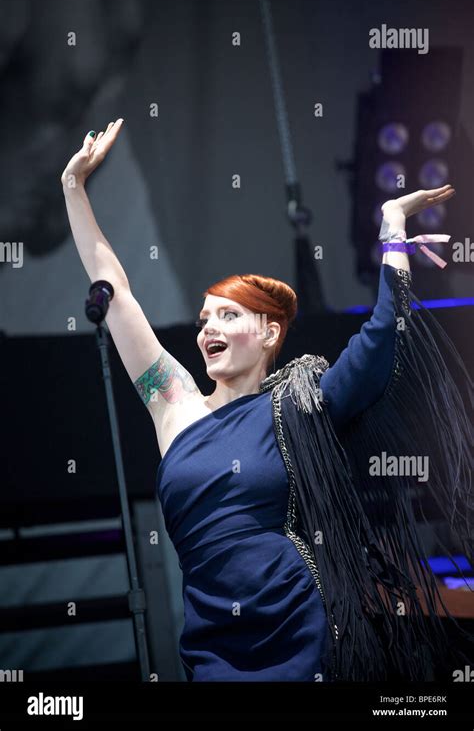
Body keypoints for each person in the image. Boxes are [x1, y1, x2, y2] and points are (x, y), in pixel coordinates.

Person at [62, 120, 472, 681]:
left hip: (298, 627)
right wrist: (73, 188)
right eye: (204, 317)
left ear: (271, 334)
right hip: (213, 646)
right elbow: (118, 295)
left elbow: (381, 337)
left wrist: (393, 229)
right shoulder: (174, 405)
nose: (208, 326)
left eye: (228, 315)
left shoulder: (299, 405)